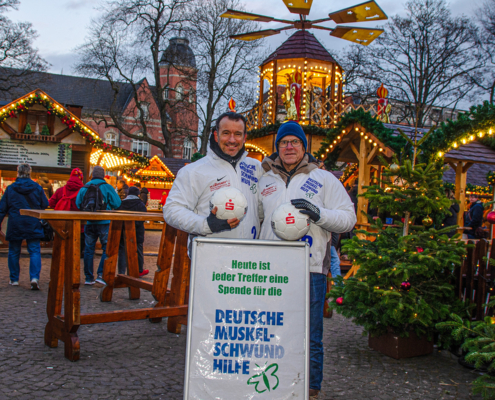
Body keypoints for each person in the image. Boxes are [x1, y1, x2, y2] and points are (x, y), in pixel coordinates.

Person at [257, 121, 356, 399]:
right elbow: (254, 219)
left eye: (295, 142)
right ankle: (269, 384)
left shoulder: (324, 179)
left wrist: (319, 214)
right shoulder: (264, 180)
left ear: (304, 147)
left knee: (310, 334)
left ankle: (311, 389)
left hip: (309, 268)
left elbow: (349, 218)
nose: (289, 147)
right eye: (284, 142)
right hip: (269, 268)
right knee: (269, 328)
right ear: (277, 147)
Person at [164, 111, 262, 242]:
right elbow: (172, 210)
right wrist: (205, 225)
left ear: (244, 138)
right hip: (210, 255)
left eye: (237, 134)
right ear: (216, 135)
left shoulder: (256, 167)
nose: (232, 140)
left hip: (249, 256)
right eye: (226, 133)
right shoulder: (193, 171)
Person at [0, 163, 48, 289]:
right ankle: (34, 278)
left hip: (16, 222)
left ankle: (14, 279)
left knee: (14, 251)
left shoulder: (10, 189)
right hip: (33, 222)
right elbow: (45, 204)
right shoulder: (37, 188)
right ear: (29, 173)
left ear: (18, 172)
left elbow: (2, 209)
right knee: (34, 251)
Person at [76, 166, 121, 285]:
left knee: (88, 249)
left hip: (89, 222)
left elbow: (78, 203)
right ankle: (101, 274)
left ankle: (88, 277)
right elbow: (117, 203)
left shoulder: (85, 187)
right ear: (103, 175)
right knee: (106, 248)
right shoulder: (107, 187)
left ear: (92, 174)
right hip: (104, 222)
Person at [49, 168, 85, 256]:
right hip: (79, 227)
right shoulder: (84, 192)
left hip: (62, 226)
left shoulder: (60, 190)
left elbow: (51, 203)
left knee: (62, 252)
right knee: (77, 254)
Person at [117, 186, 149, 277]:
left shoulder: (122, 203)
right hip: (137, 230)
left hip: (124, 230)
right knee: (138, 249)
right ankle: (139, 270)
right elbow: (144, 217)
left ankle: (121, 272)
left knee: (122, 251)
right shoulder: (140, 204)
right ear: (137, 194)